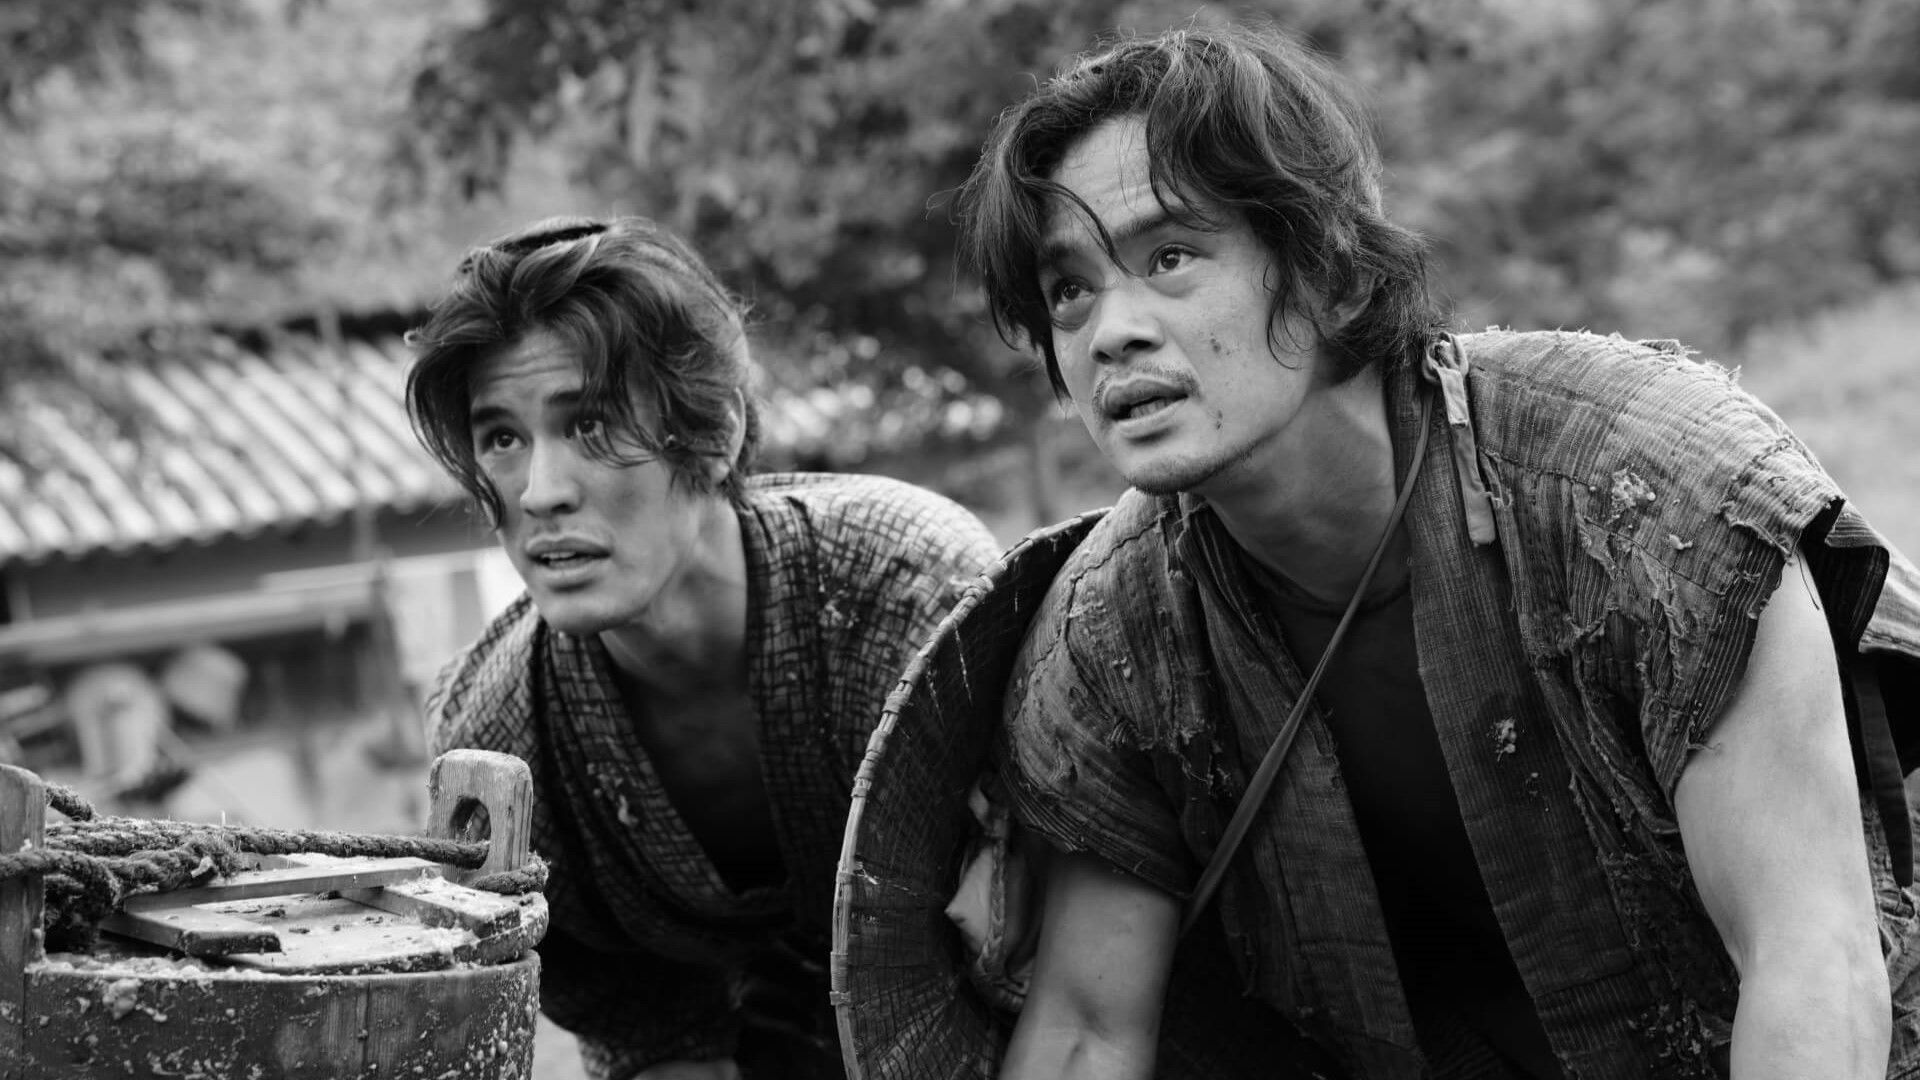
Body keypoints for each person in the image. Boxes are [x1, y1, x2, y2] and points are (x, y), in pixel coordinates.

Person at [952, 23, 1920, 1080]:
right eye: (1070, 290)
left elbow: (1809, 956)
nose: (1111, 332)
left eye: (1170, 257)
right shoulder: (1114, 637)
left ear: (1326, 268)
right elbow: (1088, 1032)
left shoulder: (1636, 484)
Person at [404, 215, 1001, 1080]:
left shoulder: (901, 587)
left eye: (592, 426)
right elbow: (642, 1033)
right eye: (503, 438)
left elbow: (1049, 933)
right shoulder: (500, 741)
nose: (540, 493)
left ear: (715, 431)